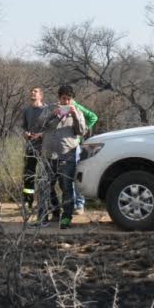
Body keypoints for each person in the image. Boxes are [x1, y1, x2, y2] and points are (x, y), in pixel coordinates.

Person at [38, 84, 87, 229]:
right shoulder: (49, 109)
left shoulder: (77, 111)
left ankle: (66, 219)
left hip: (67, 156)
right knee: (44, 187)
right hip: (48, 155)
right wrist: (53, 114)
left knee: (66, 187)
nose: (66, 102)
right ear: (58, 98)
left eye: (68, 99)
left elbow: (82, 131)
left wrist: (75, 115)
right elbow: (38, 124)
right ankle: (43, 218)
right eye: (63, 98)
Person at [20, 86, 50, 214]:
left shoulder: (47, 110)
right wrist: (25, 134)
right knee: (28, 175)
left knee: (44, 177)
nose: (32, 93)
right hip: (30, 147)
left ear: (41, 96)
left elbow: (52, 129)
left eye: (35, 91)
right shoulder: (27, 111)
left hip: (44, 149)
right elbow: (24, 128)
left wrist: (41, 135)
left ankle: (44, 203)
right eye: (31, 91)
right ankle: (28, 201)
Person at [69, 99, 98, 214]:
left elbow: (93, 117)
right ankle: (71, 204)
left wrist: (85, 128)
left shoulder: (76, 106)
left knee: (76, 175)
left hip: (76, 144)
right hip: (64, 146)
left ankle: (79, 204)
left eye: (68, 98)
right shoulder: (59, 107)